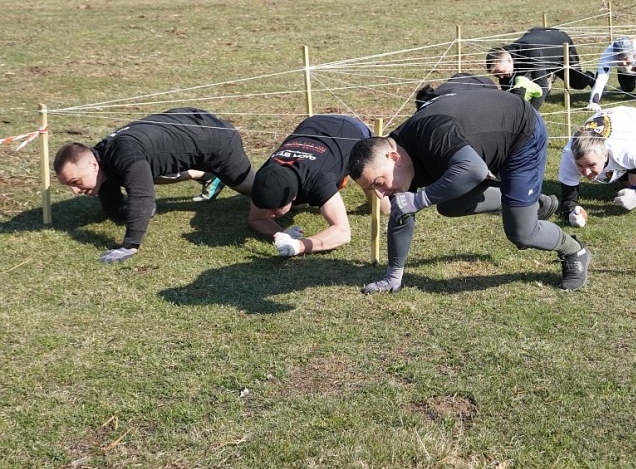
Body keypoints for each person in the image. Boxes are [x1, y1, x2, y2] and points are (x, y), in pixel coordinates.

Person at [348, 89, 592, 292]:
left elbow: (473, 170)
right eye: (373, 190)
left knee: (523, 232)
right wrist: (394, 275)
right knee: (451, 204)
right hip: (491, 141)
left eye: (379, 183)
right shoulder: (401, 153)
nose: (380, 195)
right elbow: (402, 213)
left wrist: (420, 199)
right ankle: (533, 206)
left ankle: (576, 251)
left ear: (394, 158)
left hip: (522, 134)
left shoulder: (431, 133)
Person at [53, 107, 255, 263]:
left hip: (216, 139)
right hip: (186, 124)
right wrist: (126, 211)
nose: (75, 191)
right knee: (142, 172)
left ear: (92, 165)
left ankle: (285, 192)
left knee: (258, 192)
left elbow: (142, 196)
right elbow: (113, 203)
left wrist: (129, 246)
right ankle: (206, 175)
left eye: (75, 182)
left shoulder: (123, 154)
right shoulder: (101, 159)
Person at [249, 114, 373, 256]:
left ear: (294, 196)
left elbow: (343, 232)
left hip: (353, 129)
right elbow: (257, 218)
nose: (270, 215)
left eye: (276, 209)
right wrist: (283, 233)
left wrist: (298, 246)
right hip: (314, 122)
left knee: (383, 208)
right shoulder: (266, 177)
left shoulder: (319, 180)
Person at [557, 106, 636, 226]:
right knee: (624, 178)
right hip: (613, 121)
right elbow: (569, 200)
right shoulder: (569, 154)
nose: (587, 173)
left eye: (592, 165)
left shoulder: (626, 151)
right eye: (580, 166)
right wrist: (572, 212)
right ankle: (627, 172)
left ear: (605, 154)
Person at [486, 27, 595, 109]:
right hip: (538, 39)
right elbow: (508, 89)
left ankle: (592, 76)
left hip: (559, 44)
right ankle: (547, 73)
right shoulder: (505, 57)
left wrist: (531, 113)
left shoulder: (530, 52)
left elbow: (542, 86)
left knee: (578, 83)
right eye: (496, 74)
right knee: (520, 81)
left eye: (500, 72)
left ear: (509, 61)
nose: (500, 76)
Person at [587, 35, 636, 110]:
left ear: (634, 55)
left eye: (625, 59)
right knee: (627, 88)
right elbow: (602, 77)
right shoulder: (608, 54)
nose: (623, 63)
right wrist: (594, 102)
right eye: (619, 59)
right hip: (627, 69)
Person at [414, 72, 540, 111]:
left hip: (483, 89)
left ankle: (521, 87)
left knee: (509, 110)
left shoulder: (444, 105)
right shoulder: (440, 94)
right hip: (470, 81)